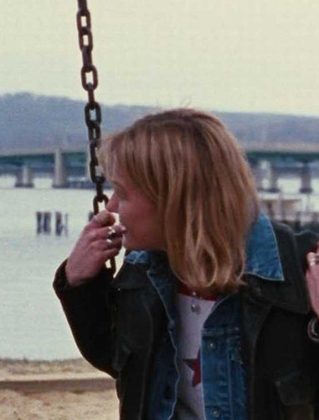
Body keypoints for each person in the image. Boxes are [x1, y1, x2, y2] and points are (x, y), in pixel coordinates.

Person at [53, 109, 319, 419]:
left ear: (174, 199)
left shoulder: (302, 271)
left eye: (122, 193)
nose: (111, 206)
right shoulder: (143, 270)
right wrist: (79, 285)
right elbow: (120, 360)